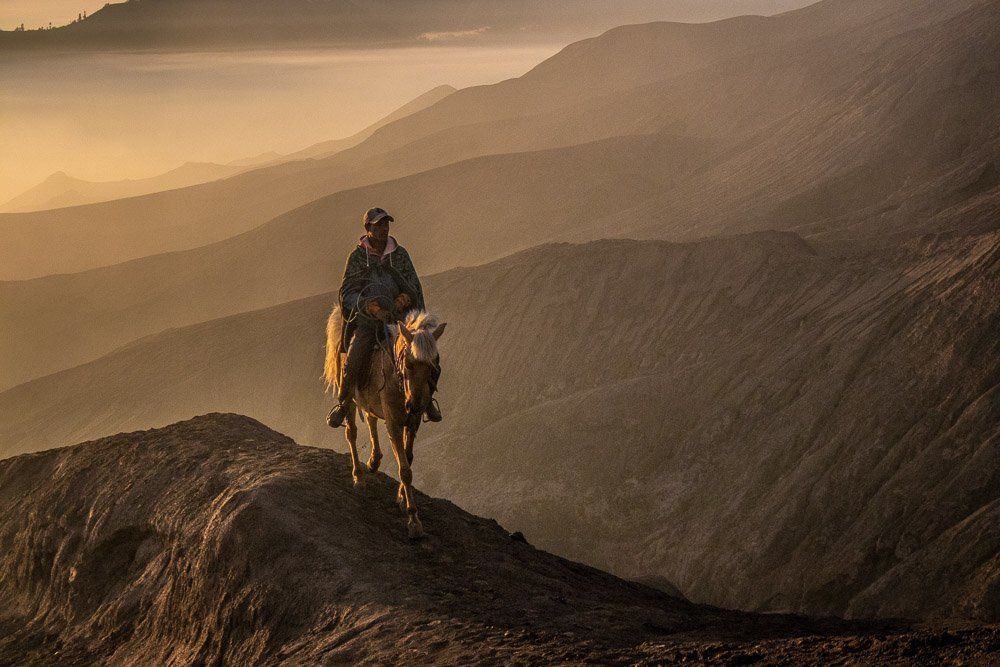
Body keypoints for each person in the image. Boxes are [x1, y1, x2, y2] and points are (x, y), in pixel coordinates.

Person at [327, 207, 442, 427]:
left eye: (386, 224)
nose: (384, 228)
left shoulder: (400, 255)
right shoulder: (358, 258)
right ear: (368, 228)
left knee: (431, 357)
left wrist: (405, 297)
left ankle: (427, 401)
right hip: (369, 321)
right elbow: (347, 293)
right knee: (354, 356)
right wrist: (368, 307)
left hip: (401, 320)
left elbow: (414, 287)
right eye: (378, 225)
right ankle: (344, 403)